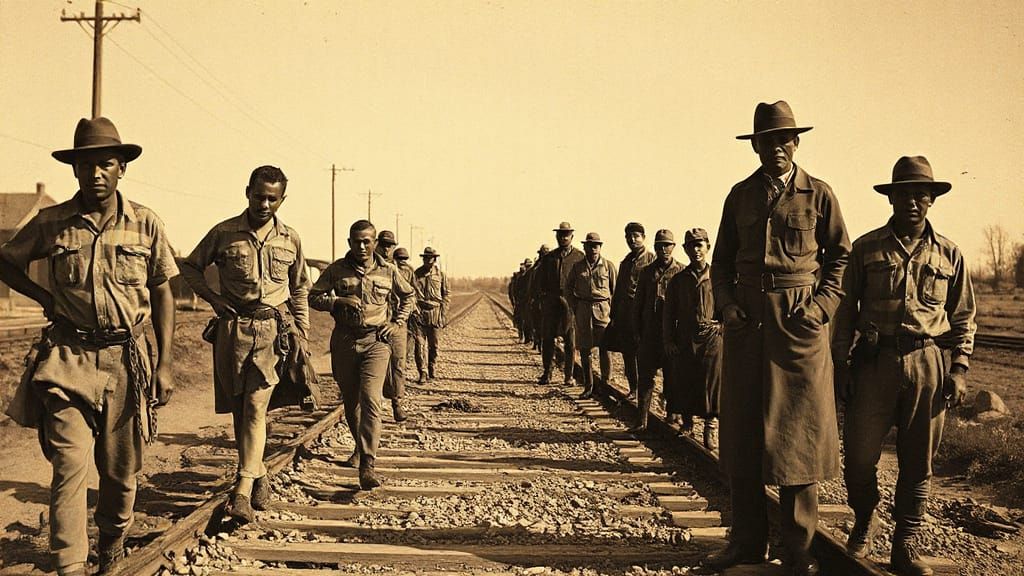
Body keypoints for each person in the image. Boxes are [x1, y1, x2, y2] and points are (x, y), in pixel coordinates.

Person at [0, 118, 177, 576]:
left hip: (127, 361)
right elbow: (6, 260)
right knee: (69, 464)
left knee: (120, 475)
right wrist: (44, 297)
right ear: (74, 171)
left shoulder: (145, 223)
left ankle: (113, 537)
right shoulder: (51, 222)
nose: (96, 173)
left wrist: (164, 364)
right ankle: (70, 564)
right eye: (86, 165)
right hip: (67, 360)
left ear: (122, 169)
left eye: (106, 164)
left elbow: (162, 292)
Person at [708, 100, 850, 576]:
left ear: (796, 142)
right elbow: (721, 263)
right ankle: (746, 544)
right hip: (748, 324)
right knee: (745, 433)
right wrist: (727, 305)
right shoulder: (740, 196)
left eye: (784, 139)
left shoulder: (820, 195)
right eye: (767, 141)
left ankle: (797, 550)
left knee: (799, 436)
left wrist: (819, 309)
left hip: (799, 325)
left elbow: (840, 260)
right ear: (757, 147)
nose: (777, 149)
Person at [833, 156, 975, 576]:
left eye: (921, 194)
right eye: (904, 193)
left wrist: (960, 368)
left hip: (928, 362)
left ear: (931, 200)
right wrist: (840, 365)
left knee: (918, 462)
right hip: (874, 362)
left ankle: (906, 543)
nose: (912, 201)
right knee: (858, 458)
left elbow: (964, 317)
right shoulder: (866, 248)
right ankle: (865, 518)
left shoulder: (950, 252)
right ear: (891, 198)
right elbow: (843, 311)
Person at [180, 165, 310, 523]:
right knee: (241, 410)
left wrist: (302, 332)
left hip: (272, 332)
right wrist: (212, 298)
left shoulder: (291, 239)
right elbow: (190, 267)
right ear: (247, 192)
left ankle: (240, 489)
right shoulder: (223, 233)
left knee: (256, 406)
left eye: (272, 198)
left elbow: (299, 288)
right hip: (233, 331)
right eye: (259, 196)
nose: (264, 204)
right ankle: (260, 473)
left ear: (282, 198)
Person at [309, 220, 414, 489]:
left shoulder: (389, 271)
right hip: (344, 340)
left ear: (375, 242)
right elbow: (313, 297)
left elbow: (409, 297)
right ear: (350, 243)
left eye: (367, 241)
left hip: (376, 341)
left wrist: (396, 323)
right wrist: (338, 301)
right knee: (351, 400)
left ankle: (368, 463)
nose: (362, 246)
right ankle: (360, 446)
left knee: (371, 399)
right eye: (357, 241)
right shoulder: (336, 270)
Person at [663, 228, 722, 449]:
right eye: (691, 246)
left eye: (700, 245)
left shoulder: (718, 277)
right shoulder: (678, 281)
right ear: (686, 250)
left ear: (707, 246)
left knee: (711, 382)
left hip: (712, 338)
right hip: (686, 337)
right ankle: (687, 424)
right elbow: (668, 315)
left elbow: (729, 305)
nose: (696, 250)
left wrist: (721, 326)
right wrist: (669, 341)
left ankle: (711, 426)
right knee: (686, 378)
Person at [631, 229, 684, 432]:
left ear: (673, 247)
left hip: (672, 335)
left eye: (667, 245)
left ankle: (672, 415)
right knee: (645, 378)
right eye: (660, 245)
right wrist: (636, 331)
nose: (664, 249)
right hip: (649, 334)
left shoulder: (681, 271)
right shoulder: (646, 272)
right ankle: (641, 420)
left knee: (672, 377)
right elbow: (637, 304)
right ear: (655, 248)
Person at [566, 233, 617, 399]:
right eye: (590, 246)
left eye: (596, 245)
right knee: (585, 349)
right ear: (585, 248)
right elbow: (568, 289)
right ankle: (589, 387)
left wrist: (613, 312)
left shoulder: (608, 266)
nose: (593, 249)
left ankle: (605, 385)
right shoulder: (577, 267)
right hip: (583, 310)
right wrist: (575, 306)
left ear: (600, 247)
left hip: (603, 310)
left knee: (605, 348)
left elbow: (615, 291)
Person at [609, 223, 656, 401]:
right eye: (629, 236)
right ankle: (634, 389)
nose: (632, 240)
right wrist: (614, 315)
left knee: (645, 356)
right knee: (628, 353)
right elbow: (619, 290)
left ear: (643, 237)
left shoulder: (651, 259)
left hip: (645, 316)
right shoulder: (626, 262)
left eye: (636, 236)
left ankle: (651, 395)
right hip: (626, 315)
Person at [535, 222, 585, 385]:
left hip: (570, 304)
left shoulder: (579, 257)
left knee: (570, 341)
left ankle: (569, 376)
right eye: (560, 235)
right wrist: (543, 300)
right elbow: (539, 281)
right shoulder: (549, 258)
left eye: (566, 234)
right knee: (548, 338)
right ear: (556, 237)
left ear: (572, 237)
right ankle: (547, 373)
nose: (563, 237)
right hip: (551, 303)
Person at [374, 232, 415, 423]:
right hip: (374, 325)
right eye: (383, 245)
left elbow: (410, 296)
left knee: (398, 365)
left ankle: (397, 404)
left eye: (390, 246)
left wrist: (399, 321)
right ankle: (372, 407)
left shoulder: (399, 270)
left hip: (396, 325)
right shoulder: (369, 266)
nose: (386, 249)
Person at [410, 246, 450, 383]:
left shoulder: (441, 275)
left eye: (431, 258)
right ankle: (423, 372)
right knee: (419, 345)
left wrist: (443, 314)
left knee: (434, 345)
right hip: (420, 313)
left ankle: (431, 366)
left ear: (435, 260)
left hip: (435, 313)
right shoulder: (416, 274)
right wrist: (414, 310)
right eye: (426, 258)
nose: (428, 260)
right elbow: (411, 294)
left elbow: (446, 295)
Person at [526, 245, 551, 349]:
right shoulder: (536, 268)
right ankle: (538, 341)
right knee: (537, 322)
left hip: (548, 299)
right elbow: (532, 285)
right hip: (539, 299)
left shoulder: (552, 265)